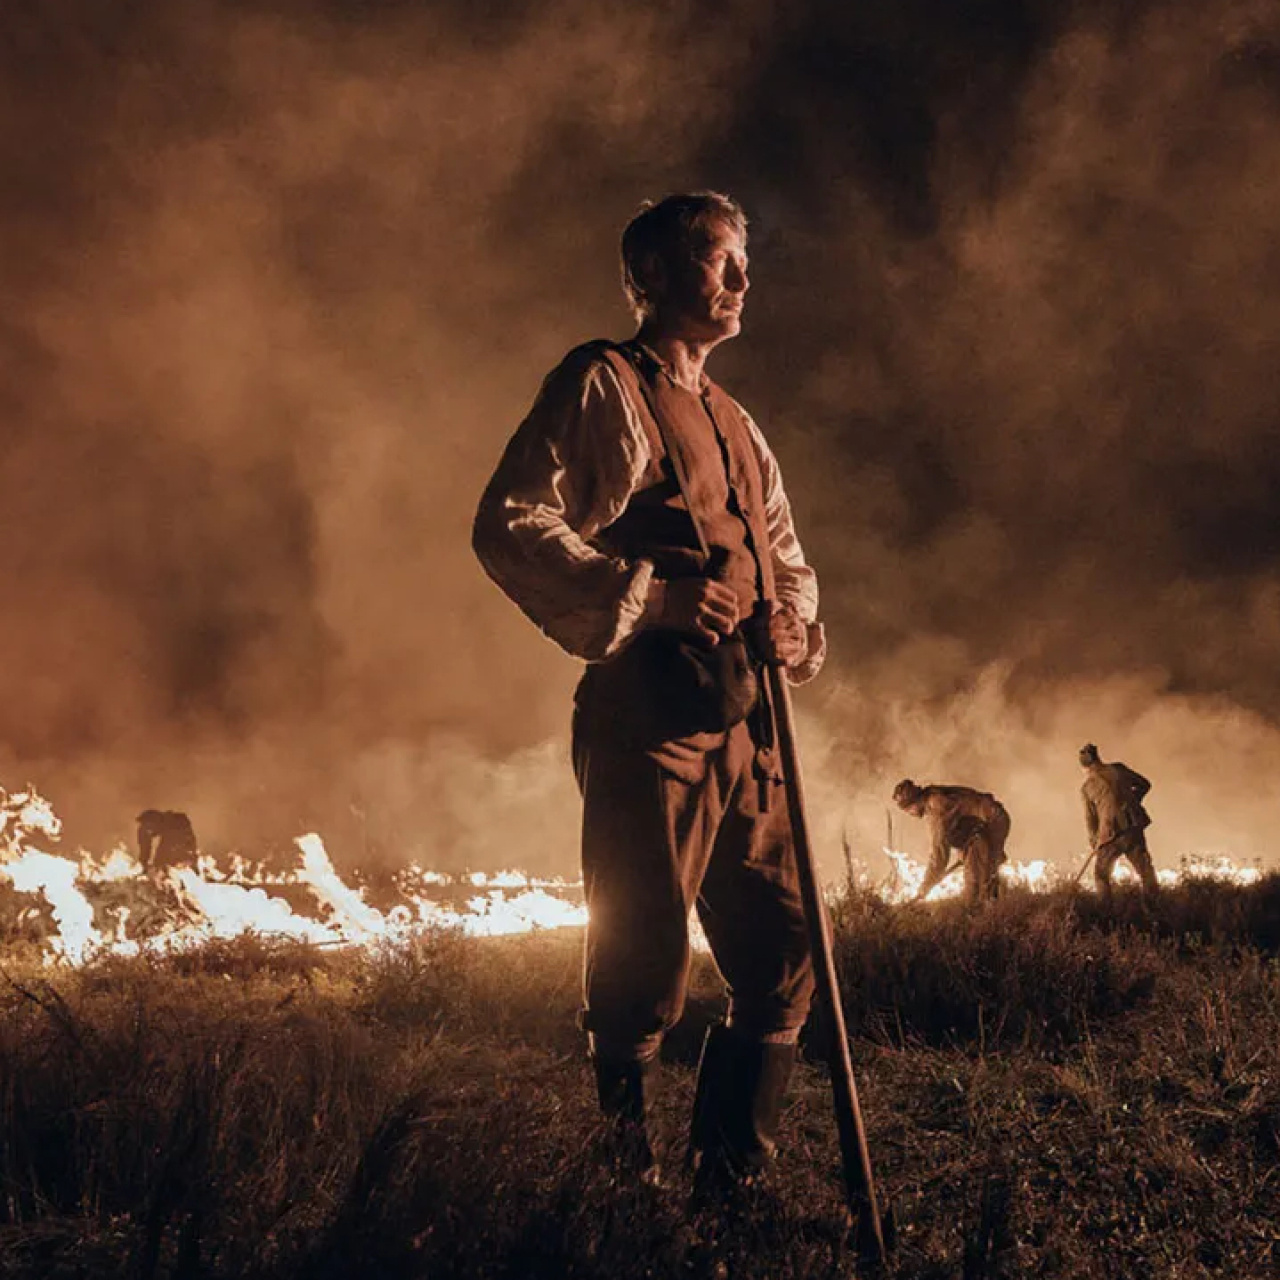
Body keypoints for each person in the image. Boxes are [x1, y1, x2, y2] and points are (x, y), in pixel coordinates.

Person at [473, 192, 825, 1196]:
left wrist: (793, 624)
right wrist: (652, 597)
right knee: (639, 955)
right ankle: (620, 1185)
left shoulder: (735, 418)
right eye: (718, 260)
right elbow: (508, 518)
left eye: (741, 261)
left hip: (749, 723)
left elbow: (784, 554)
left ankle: (728, 1170)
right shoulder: (602, 381)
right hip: (647, 715)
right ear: (652, 276)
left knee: (786, 940)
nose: (739, 279)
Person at [891, 779, 1010, 905]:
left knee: (975, 883)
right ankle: (994, 906)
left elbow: (939, 856)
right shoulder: (933, 796)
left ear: (913, 804)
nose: (910, 814)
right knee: (983, 869)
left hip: (992, 822)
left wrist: (926, 885)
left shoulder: (936, 808)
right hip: (982, 826)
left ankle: (980, 913)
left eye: (908, 810)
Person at [1078, 743, 1158, 901]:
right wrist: (1134, 800)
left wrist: (1094, 841)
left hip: (1109, 835)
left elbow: (1090, 819)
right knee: (1145, 870)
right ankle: (1155, 906)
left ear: (1085, 768)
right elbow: (1144, 784)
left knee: (1101, 875)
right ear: (1098, 759)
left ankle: (1106, 913)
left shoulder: (1087, 788)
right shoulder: (1118, 769)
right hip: (1133, 827)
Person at [135, 809, 198, 876]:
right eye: (145, 826)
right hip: (177, 857)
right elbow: (145, 848)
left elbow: (166, 850)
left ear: (157, 822)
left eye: (149, 826)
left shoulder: (178, 822)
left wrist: (158, 865)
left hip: (183, 862)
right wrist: (143, 864)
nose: (148, 830)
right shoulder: (146, 828)